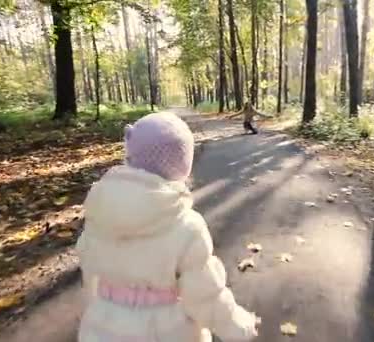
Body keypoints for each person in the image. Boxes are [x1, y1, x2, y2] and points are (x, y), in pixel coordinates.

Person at [76, 112, 259, 342]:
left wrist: (93, 314)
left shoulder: (98, 212)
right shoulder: (186, 225)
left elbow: (89, 272)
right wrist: (238, 327)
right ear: (182, 167)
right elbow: (205, 295)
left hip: (101, 331)